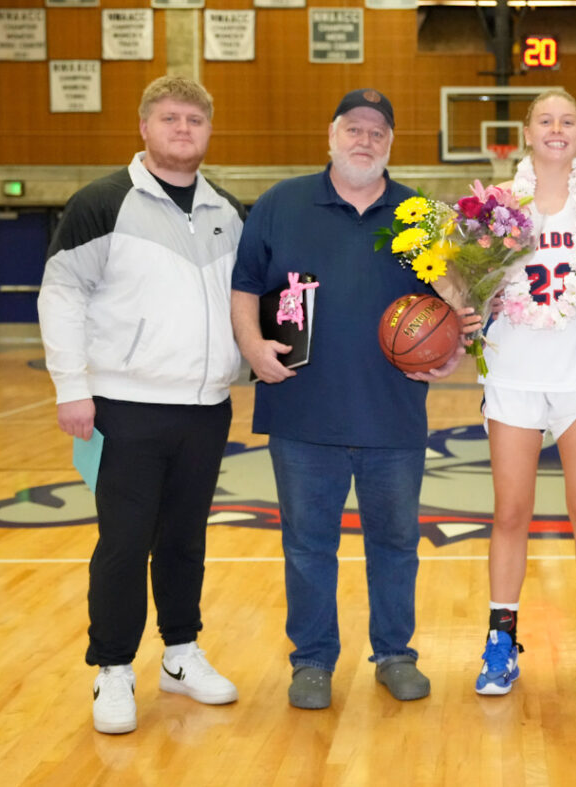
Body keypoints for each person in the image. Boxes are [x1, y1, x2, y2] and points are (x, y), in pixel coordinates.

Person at [231, 88, 476, 710]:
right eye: (354, 129)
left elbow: (456, 302)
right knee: (307, 545)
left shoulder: (418, 213)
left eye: (377, 132)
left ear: (390, 143)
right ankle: (311, 661)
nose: (364, 140)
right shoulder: (281, 205)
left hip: (390, 414)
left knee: (394, 543)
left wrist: (452, 353)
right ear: (331, 134)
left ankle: (395, 654)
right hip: (301, 412)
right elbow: (244, 288)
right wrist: (255, 346)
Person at [37, 76, 245, 735]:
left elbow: (246, 302)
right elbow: (60, 294)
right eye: (170, 118)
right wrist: (72, 386)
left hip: (207, 406)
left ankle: (180, 655)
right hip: (124, 407)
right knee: (125, 543)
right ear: (144, 126)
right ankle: (114, 669)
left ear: (209, 132)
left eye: (195, 120)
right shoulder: (102, 203)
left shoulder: (228, 209)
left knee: (184, 540)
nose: (183, 128)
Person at [474, 89, 576, 696]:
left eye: (569, 119)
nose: (557, 129)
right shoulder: (497, 205)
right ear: (526, 133)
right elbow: (466, 278)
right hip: (511, 376)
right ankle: (501, 641)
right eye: (545, 120)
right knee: (510, 515)